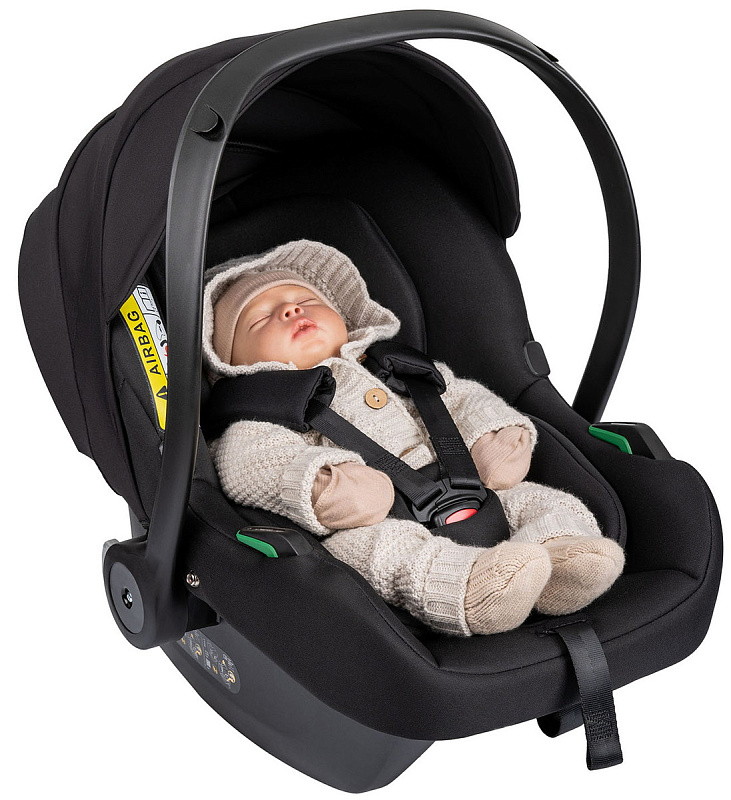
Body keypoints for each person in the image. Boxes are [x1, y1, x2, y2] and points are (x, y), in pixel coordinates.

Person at [202, 239, 624, 636]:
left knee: (538, 500)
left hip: (470, 483)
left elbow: (461, 397)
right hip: (374, 519)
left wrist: (494, 434)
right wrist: (323, 486)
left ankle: (559, 557)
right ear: (231, 362)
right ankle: (472, 591)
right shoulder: (262, 413)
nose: (292, 310)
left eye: (307, 301)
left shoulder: (399, 368)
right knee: (386, 555)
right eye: (261, 318)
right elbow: (251, 464)